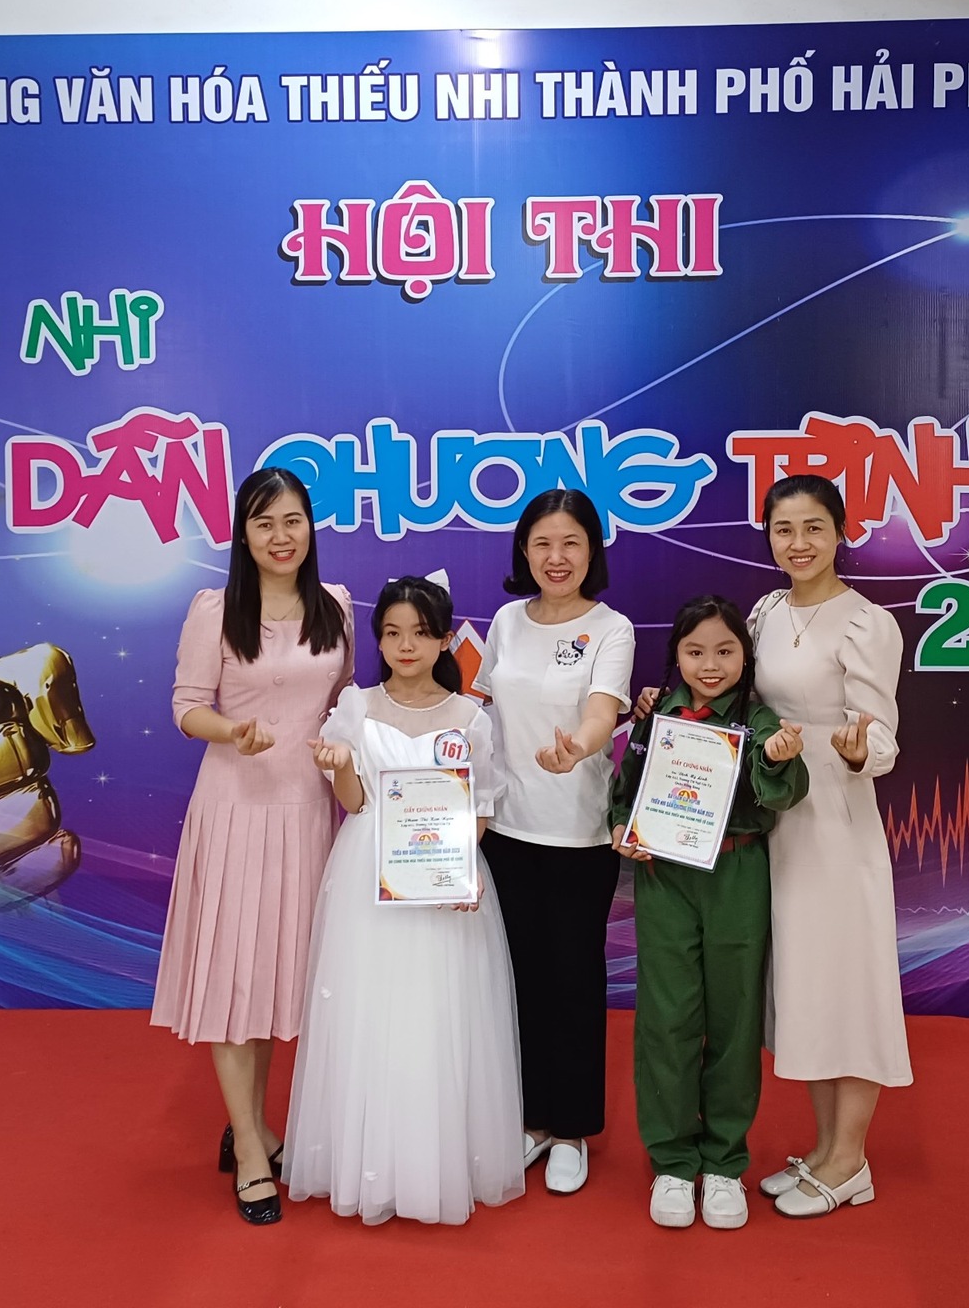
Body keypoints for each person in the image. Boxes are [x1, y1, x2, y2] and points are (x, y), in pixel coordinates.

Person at [284, 575, 526, 1226]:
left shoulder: (471, 717)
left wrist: (456, 869)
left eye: (420, 632)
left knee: (438, 1009)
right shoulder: (356, 707)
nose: (406, 645)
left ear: (445, 639)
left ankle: (435, 1163)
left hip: (444, 881)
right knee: (370, 1009)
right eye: (392, 633)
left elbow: (480, 807)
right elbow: (355, 802)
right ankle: (370, 1162)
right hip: (368, 873)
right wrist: (339, 764)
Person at [150, 467, 353, 1226]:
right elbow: (185, 707)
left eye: (292, 520)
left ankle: (256, 1127)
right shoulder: (215, 609)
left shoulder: (335, 606)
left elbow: (341, 705)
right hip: (235, 809)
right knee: (235, 978)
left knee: (275, 979)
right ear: (243, 533)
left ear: (310, 527)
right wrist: (233, 729)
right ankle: (250, 1150)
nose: (280, 536)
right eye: (264, 523)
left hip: (307, 814)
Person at [608, 595, 808, 1231]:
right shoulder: (656, 716)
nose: (710, 665)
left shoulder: (759, 718)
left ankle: (723, 1163)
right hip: (665, 877)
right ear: (676, 655)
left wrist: (778, 757)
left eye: (725, 650)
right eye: (695, 652)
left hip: (736, 876)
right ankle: (671, 1162)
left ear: (745, 655)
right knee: (666, 1019)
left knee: (734, 1019)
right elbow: (625, 791)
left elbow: (781, 789)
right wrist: (622, 828)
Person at [750, 473, 911, 1218]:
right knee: (806, 987)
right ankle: (822, 1151)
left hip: (836, 822)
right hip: (777, 816)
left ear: (841, 533)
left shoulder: (866, 623)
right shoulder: (764, 612)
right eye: (784, 530)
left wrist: (856, 751)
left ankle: (851, 1160)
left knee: (850, 985)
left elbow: (880, 735)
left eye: (814, 527)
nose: (799, 543)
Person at [476, 488, 636, 1195]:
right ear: (524, 551)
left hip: (577, 834)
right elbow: (481, 711)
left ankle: (570, 1129)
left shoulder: (611, 628)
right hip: (504, 829)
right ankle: (530, 1118)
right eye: (542, 543)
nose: (556, 556)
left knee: (573, 982)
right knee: (516, 980)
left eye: (571, 542)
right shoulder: (507, 621)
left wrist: (578, 748)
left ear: (592, 549)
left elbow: (603, 712)